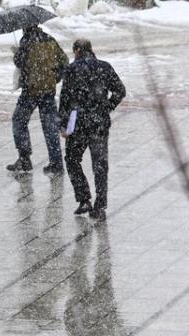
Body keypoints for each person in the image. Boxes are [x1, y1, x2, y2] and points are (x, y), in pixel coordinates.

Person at [59, 39, 126, 219]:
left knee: (72, 160)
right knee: (100, 165)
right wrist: (106, 107)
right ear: (91, 50)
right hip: (99, 124)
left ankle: (84, 199)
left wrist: (63, 125)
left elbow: (64, 99)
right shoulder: (104, 67)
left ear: (77, 51)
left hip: (78, 124)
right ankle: (100, 205)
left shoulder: (72, 70)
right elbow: (120, 91)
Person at [7, 25, 69, 174]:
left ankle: (24, 159)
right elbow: (64, 61)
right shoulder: (50, 39)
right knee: (50, 127)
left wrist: (16, 54)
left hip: (31, 91)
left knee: (19, 121)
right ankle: (56, 162)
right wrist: (55, 77)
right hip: (48, 89)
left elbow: (19, 62)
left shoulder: (26, 41)